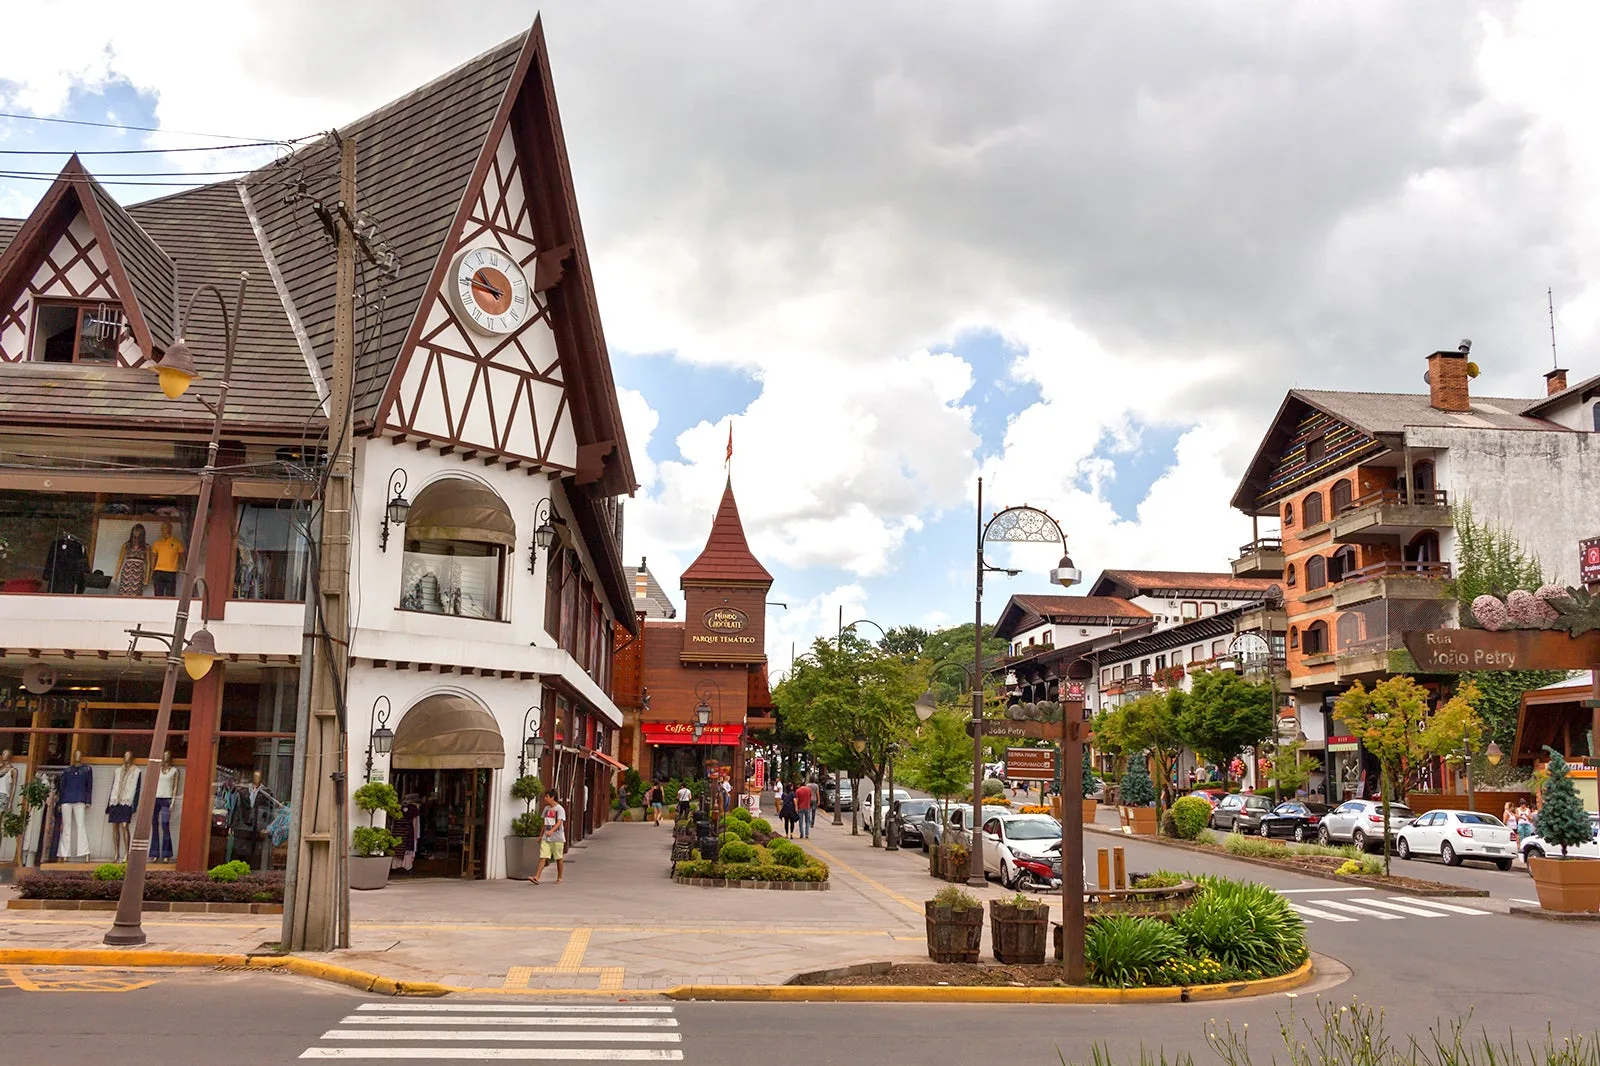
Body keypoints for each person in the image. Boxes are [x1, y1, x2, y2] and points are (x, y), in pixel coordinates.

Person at [528, 791, 566, 885]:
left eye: (547, 797)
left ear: (552, 797)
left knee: (558, 857)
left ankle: (560, 877)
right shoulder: (546, 809)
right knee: (543, 856)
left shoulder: (560, 809)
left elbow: (559, 822)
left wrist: (551, 831)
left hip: (557, 838)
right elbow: (544, 823)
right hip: (546, 837)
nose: (545, 798)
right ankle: (537, 877)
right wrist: (541, 835)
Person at [150, 521, 185, 597]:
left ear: (170, 529)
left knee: (170, 595)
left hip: (171, 572)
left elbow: (182, 556)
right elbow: (153, 558)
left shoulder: (177, 542)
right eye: (162, 528)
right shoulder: (157, 543)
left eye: (165, 528)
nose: (163, 530)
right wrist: (152, 571)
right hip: (158, 571)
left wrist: (185, 569)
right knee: (158, 595)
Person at [115, 524, 150, 597]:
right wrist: (116, 574)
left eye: (138, 531)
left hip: (138, 571)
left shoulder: (146, 547)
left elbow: (148, 563)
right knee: (124, 592)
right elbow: (120, 560)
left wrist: (147, 577)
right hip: (127, 571)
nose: (136, 533)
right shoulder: (126, 545)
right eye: (135, 531)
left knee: (136, 593)